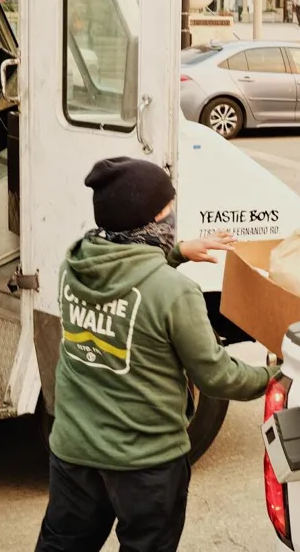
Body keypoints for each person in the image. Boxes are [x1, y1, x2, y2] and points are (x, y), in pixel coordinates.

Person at [35, 156, 278, 552]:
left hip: (74, 452)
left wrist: (179, 251)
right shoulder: (174, 293)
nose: (173, 219)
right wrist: (272, 377)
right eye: (168, 211)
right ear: (150, 224)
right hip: (145, 465)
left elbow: (126, 269)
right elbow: (216, 376)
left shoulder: (74, 266)